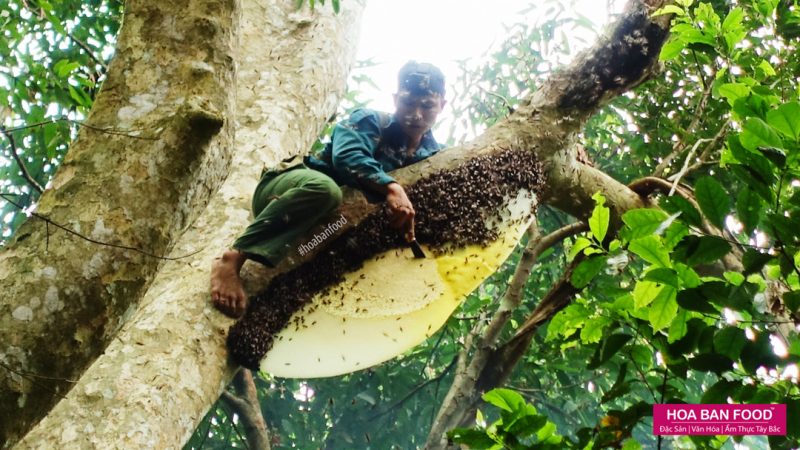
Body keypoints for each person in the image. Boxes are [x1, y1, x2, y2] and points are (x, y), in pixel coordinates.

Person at [211, 61, 447, 318]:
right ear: (395, 99)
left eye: (427, 106)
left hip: (328, 227)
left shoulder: (434, 155)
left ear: (442, 106)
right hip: (291, 189)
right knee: (327, 190)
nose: (416, 114)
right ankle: (233, 258)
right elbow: (348, 157)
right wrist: (391, 187)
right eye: (408, 102)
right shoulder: (370, 121)